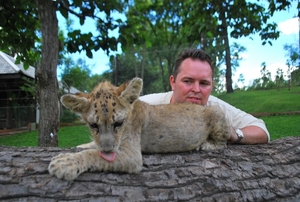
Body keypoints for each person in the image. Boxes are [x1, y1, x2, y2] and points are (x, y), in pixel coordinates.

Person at [139, 48, 270, 144]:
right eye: (188, 81)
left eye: (204, 83)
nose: (196, 89)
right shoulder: (145, 105)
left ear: (212, 86)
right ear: (173, 82)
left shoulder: (216, 109)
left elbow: (261, 130)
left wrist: (236, 135)